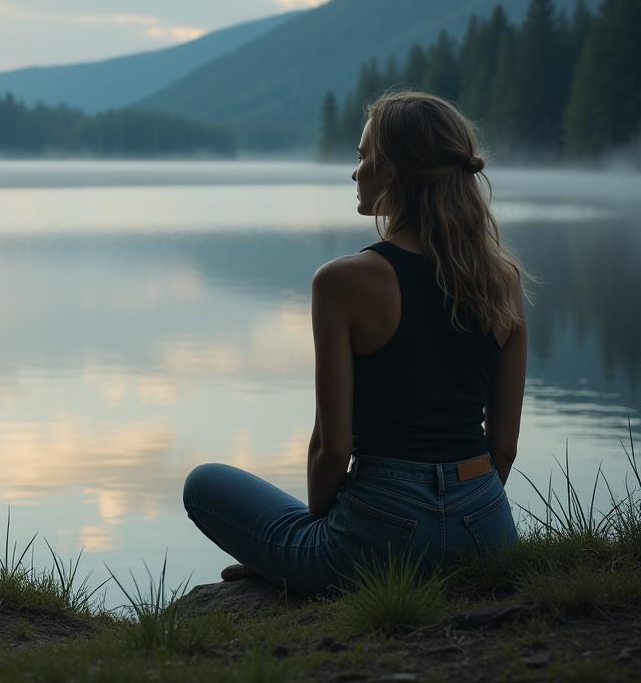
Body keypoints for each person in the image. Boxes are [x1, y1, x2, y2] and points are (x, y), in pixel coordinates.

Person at [182, 90, 532, 596]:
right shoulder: (503, 281)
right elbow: (503, 446)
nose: (355, 171)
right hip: (487, 528)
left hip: (380, 533)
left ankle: (296, 559)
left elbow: (332, 447)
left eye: (363, 155)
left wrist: (313, 538)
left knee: (205, 484)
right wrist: (460, 518)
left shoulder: (343, 281)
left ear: (391, 171)